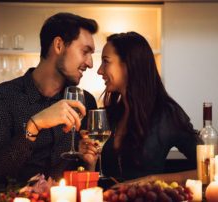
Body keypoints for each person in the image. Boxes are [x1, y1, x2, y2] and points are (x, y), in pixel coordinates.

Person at [0, 12, 98, 188]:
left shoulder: (85, 102)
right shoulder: (1, 98)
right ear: (58, 45)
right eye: (85, 51)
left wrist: (89, 163)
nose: (90, 63)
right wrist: (34, 126)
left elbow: (85, 179)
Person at [79, 31, 201, 184]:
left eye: (106, 61)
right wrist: (89, 164)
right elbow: (93, 183)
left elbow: (210, 168)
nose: (100, 70)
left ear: (128, 65)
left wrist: (152, 180)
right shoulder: (108, 115)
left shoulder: (167, 114)